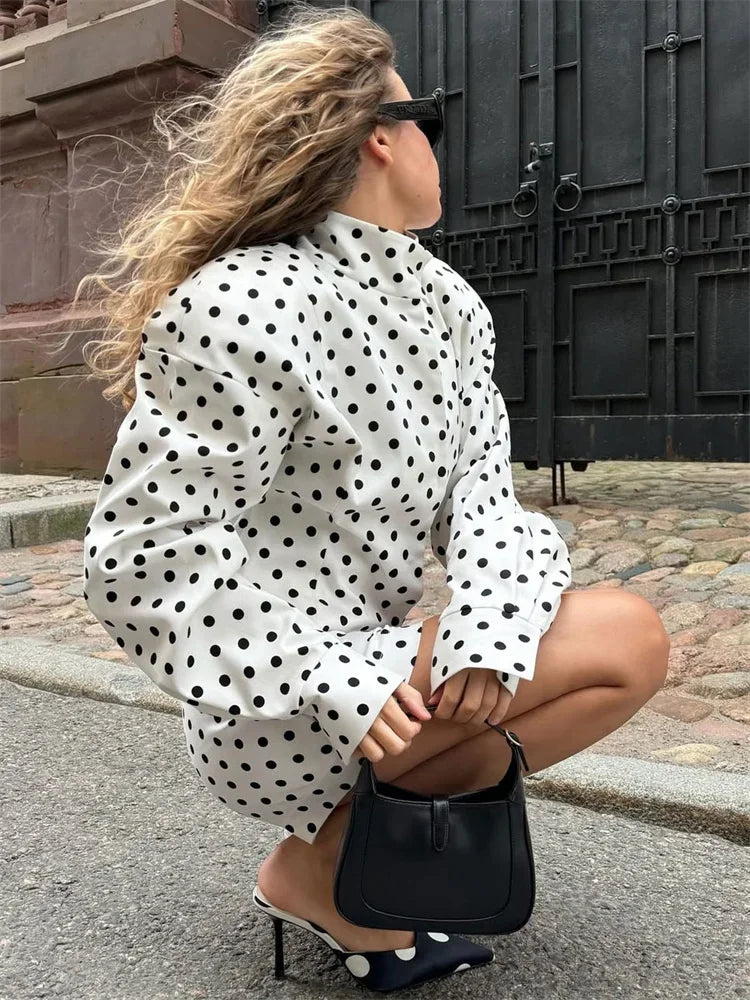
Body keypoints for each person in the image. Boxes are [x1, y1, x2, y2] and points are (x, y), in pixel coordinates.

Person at [77, 3, 670, 991]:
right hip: (278, 695)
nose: (441, 146)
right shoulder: (244, 300)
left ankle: (340, 866)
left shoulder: (447, 308)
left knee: (626, 649)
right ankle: (313, 864)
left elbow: (483, 502)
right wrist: (321, 669)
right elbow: (144, 552)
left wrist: (490, 624)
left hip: (384, 671)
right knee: (624, 636)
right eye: (426, 119)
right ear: (379, 137)